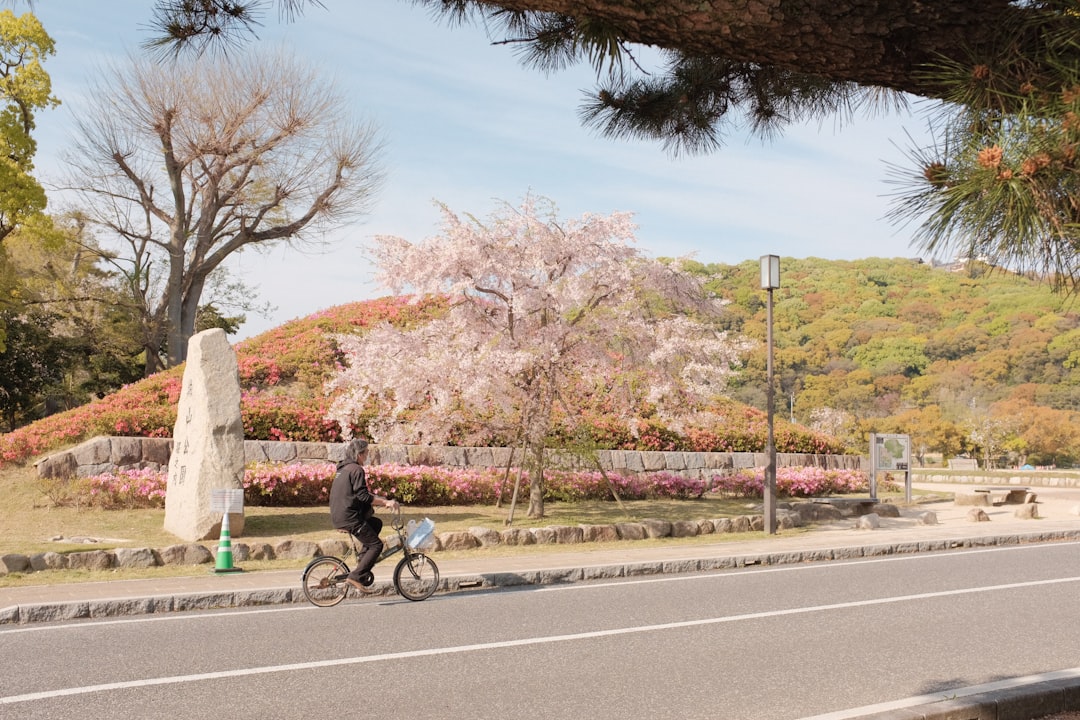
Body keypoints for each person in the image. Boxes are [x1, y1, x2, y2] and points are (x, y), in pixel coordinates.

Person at [329, 438, 398, 591]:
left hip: (341, 515)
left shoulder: (344, 469)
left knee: (376, 524)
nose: (367, 455)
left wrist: (382, 499)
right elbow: (363, 497)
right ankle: (355, 576)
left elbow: (360, 493)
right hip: (350, 517)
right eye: (366, 452)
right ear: (359, 454)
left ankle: (363, 560)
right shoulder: (357, 470)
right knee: (377, 545)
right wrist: (385, 503)